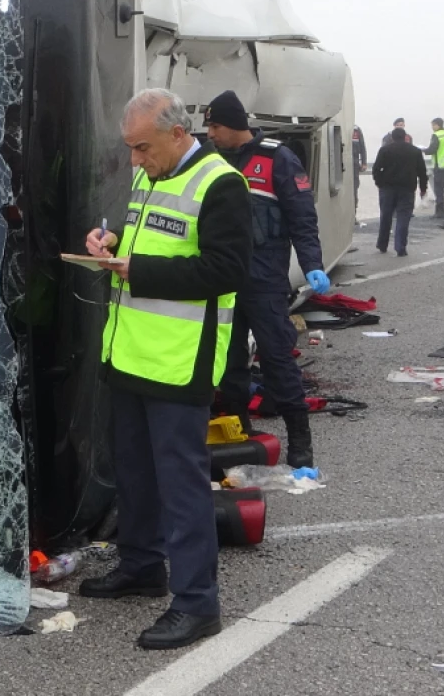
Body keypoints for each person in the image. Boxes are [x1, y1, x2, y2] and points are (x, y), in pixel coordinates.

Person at [79, 88, 250, 649]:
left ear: (178, 134)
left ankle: (198, 603)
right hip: (130, 354)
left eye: (142, 147)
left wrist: (137, 269)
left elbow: (224, 270)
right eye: (130, 148)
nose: (134, 160)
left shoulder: (221, 182)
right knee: (134, 473)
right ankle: (142, 566)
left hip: (180, 363)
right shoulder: (150, 176)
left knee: (182, 487)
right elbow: (148, 239)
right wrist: (111, 243)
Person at [204, 90, 331, 466]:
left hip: (264, 280)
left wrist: (312, 264)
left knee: (277, 358)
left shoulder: (277, 159)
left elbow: (302, 217)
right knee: (228, 362)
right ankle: (239, 432)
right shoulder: (211, 162)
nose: (210, 134)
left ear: (236, 125)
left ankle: (300, 442)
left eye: (216, 126)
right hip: (223, 281)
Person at [373, 126, 428, 256]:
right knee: (403, 218)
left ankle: (382, 244)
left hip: (387, 189)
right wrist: (423, 189)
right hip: (407, 189)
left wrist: (380, 183)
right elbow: (422, 172)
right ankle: (400, 247)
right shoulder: (415, 151)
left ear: (392, 137)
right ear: (405, 137)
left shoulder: (385, 150)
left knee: (386, 216)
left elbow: (376, 169)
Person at [423, 117, 444, 219]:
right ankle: (442, 209)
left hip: (440, 165)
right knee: (443, 186)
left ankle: (440, 212)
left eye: (433, 125)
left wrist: (423, 150)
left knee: (439, 190)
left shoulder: (436, 135)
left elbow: (432, 150)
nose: (432, 128)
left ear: (437, 125)